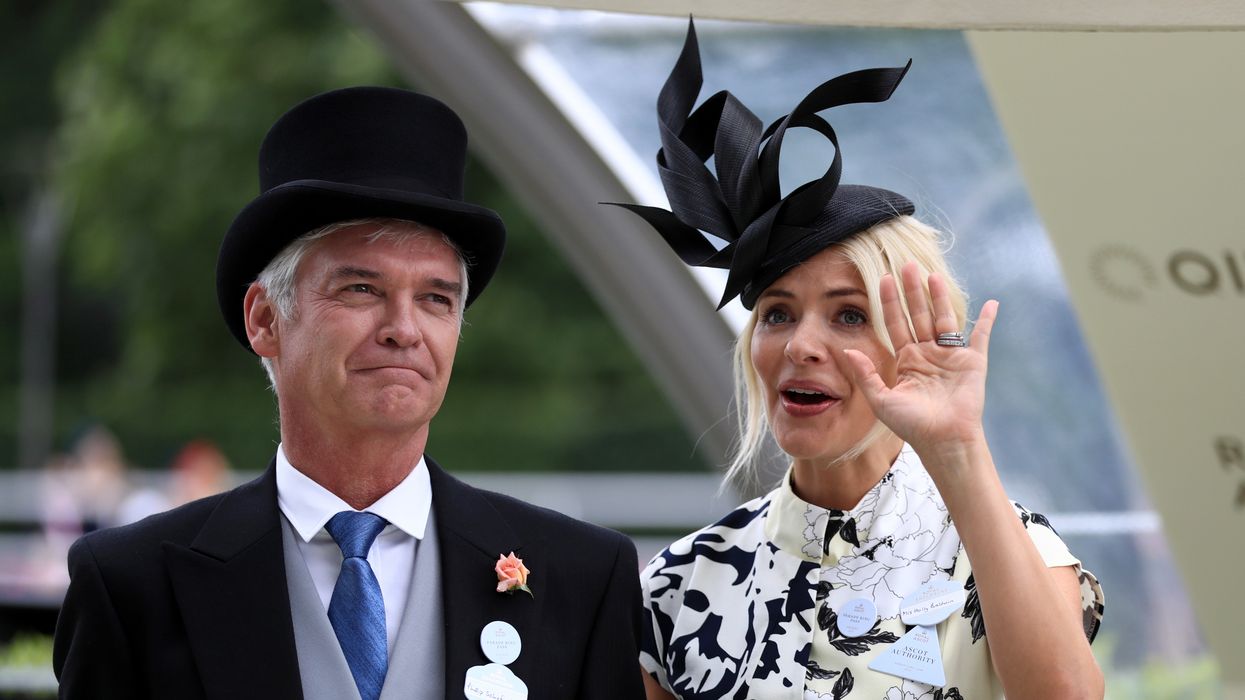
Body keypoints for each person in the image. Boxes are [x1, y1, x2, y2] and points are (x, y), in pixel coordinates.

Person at [53, 86, 644, 699]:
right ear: (265, 319)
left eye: (436, 299)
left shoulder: (581, 577)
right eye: (361, 289)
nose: (404, 330)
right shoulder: (133, 586)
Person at [614, 22, 1105, 700]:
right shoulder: (680, 582)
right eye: (777, 313)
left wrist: (957, 447)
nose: (799, 346)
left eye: (848, 314)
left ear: (911, 343)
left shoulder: (1006, 551)